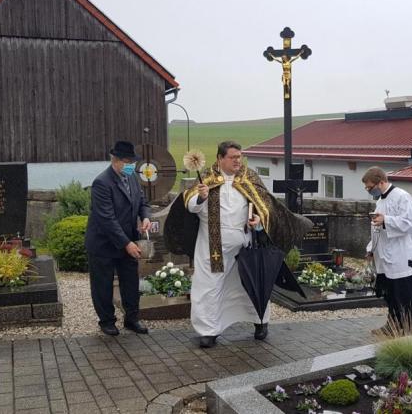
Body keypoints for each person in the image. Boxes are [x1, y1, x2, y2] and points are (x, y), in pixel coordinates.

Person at [173, 141, 312, 348]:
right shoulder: (207, 181)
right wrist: (201, 198)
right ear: (220, 159)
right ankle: (209, 331)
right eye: (233, 157)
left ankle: (260, 322)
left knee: (253, 281)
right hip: (213, 246)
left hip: (245, 243)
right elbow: (190, 205)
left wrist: (258, 221)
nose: (238, 161)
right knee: (209, 287)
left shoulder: (250, 178)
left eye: (240, 156)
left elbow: (264, 207)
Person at [85, 141, 152, 336]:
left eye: (133, 161)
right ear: (115, 160)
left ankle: (132, 318)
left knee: (130, 282)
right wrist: (126, 243)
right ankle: (106, 320)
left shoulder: (131, 177)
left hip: (129, 239)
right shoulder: (101, 183)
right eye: (127, 161)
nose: (131, 164)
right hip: (103, 243)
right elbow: (107, 219)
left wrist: (146, 216)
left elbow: (142, 201)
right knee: (103, 284)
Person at [362, 166, 412, 331]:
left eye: (370, 187)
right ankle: (394, 324)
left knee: (407, 294)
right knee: (392, 295)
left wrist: (386, 220)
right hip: (386, 256)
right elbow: (377, 228)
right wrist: (371, 249)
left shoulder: (402, 197)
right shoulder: (380, 201)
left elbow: (410, 223)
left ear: (381, 182)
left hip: (401, 255)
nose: (368, 190)